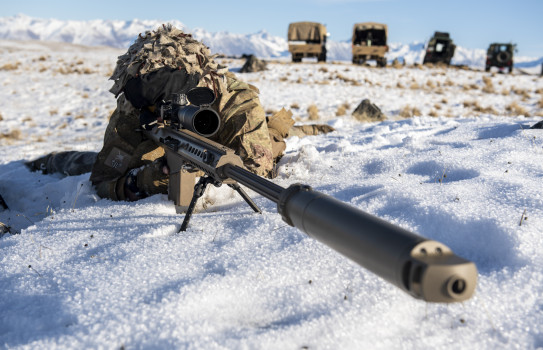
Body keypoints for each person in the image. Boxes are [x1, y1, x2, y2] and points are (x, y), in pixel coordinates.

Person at [26, 24, 333, 202]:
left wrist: (194, 175)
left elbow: (256, 173)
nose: (157, 109)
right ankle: (44, 161)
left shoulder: (234, 101)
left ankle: (312, 128)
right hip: (153, 150)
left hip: (227, 139)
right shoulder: (134, 107)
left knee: (277, 137)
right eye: (150, 105)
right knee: (79, 162)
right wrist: (143, 180)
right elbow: (103, 179)